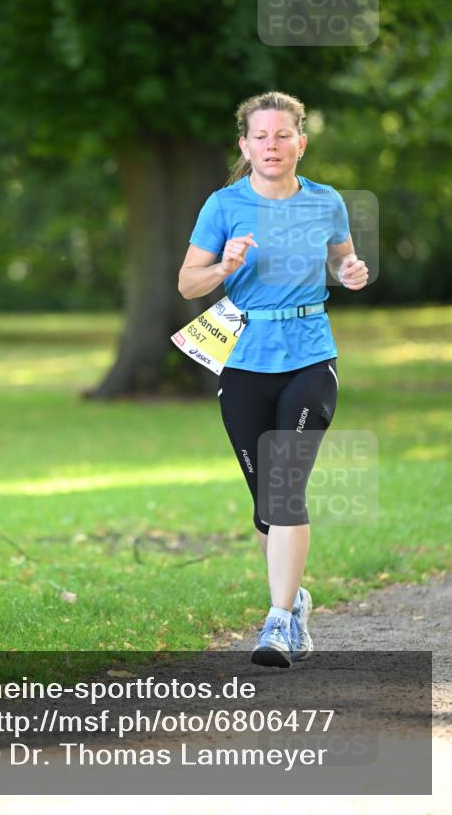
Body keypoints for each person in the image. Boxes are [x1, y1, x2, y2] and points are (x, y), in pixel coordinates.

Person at [177, 91, 369, 667]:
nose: (271, 145)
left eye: (282, 135)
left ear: (300, 143)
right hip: (243, 362)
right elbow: (188, 284)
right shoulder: (223, 205)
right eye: (260, 137)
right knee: (267, 505)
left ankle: (278, 623)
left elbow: (342, 260)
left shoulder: (325, 202)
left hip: (311, 356)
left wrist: (350, 271)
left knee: (285, 491)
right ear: (245, 145)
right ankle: (296, 598)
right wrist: (223, 267)